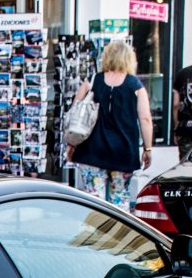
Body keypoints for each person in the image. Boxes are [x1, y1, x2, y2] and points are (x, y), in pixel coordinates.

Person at [66, 39, 154, 210]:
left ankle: (93, 234)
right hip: (123, 152)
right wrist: (147, 149)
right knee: (120, 201)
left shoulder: (92, 81)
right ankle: (118, 235)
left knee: (93, 203)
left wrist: (71, 144)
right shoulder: (135, 85)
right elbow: (145, 119)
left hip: (92, 151)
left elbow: (75, 113)